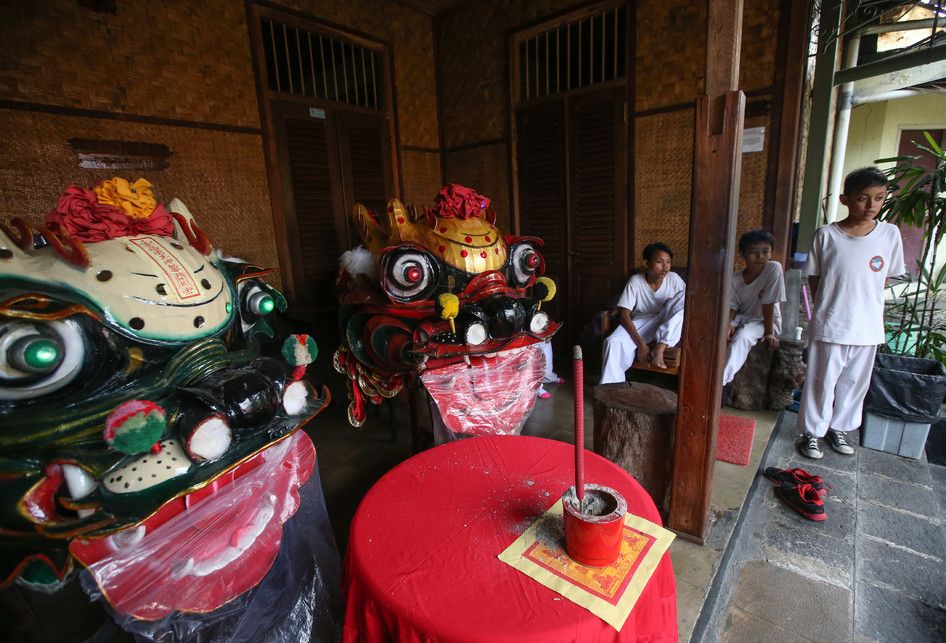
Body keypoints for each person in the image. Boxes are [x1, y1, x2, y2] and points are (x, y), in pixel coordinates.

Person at [797, 166, 905, 459]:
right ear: (845, 199)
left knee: (856, 383)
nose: (871, 205)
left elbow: (882, 280)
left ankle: (840, 428)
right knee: (821, 380)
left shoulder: (889, 235)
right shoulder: (827, 236)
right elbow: (816, 279)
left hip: (867, 326)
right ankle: (812, 432)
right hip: (831, 323)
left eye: (879, 198)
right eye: (863, 198)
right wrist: (828, 309)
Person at [599, 242, 686, 384]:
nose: (665, 267)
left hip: (666, 321)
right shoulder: (635, 281)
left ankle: (660, 347)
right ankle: (612, 389)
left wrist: (671, 303)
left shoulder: (674, 279)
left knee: (687, 296)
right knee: (612, 342)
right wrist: (640, 344)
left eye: (668, 262)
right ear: (646, 263)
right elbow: (624, 314)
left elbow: (684, 306)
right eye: (659, 262)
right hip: (642, 322)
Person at [722, 229, 786, 386]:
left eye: (765, 252)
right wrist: (727, 325)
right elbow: (731, 306)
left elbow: (769, 303)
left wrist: (770, 333)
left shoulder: (773, 269)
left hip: (766, 321)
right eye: (754, 252)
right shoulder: (735, 278)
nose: (760, 257)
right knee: (718, 333)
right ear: (742, 255)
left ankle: (721, 382)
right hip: (742, 318)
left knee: (742, 337)